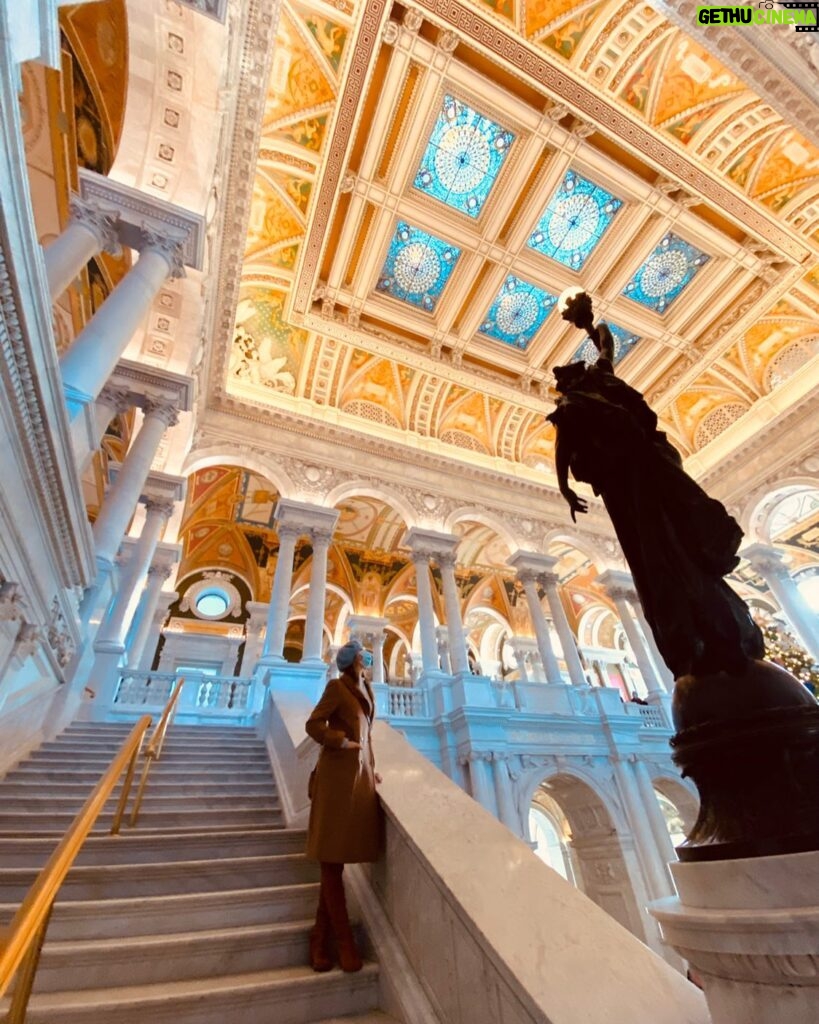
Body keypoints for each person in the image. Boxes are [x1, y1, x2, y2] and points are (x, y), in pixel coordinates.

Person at [549, 288, 763, 680]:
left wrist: (589, 325)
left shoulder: (598, 382)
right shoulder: (571, 407)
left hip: (652, 465)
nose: (572, 372)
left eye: (570, 369)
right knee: (656, 548)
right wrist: (565, 488)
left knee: (687, 519)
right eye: (568, 374)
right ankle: (690, 624)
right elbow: (562, 452)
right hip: (628, 485)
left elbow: (607, 347)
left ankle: (710, 561)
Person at [304, 638, 382, 973]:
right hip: (335, 779)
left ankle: (320, 939)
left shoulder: (367, 687)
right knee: (331, 859)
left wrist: (372, 767)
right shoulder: (337, 688)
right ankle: (344, 941)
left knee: (335, 860)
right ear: (353, 660)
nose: (368, 654)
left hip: (358, 778)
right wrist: (341, 742)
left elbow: (368, 735)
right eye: (363, 651)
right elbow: (313, 724)